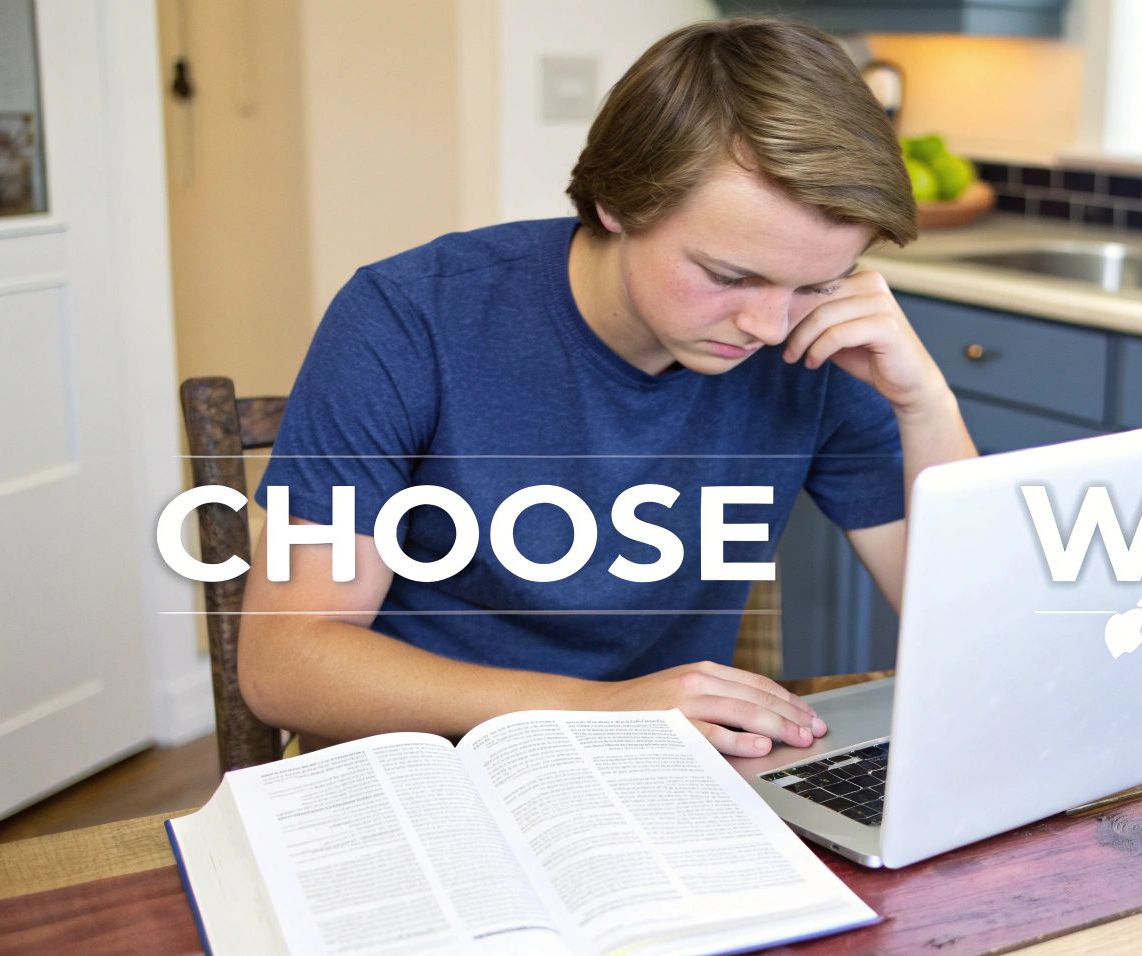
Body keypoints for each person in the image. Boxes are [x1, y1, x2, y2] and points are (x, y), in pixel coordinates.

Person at [238, 18, 975, 758]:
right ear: (618, 202)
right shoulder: (409, 317)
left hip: (652, 774)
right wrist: (603, 711)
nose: (766, 324)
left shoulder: (813, 345)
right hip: (422, 767)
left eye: (814, 284)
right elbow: (287, 663)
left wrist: (926, 405)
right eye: (727, 276)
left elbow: (975, 634)